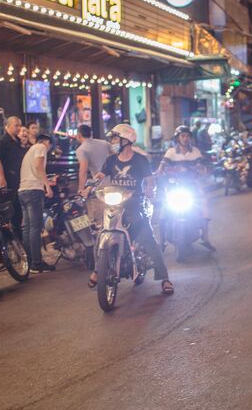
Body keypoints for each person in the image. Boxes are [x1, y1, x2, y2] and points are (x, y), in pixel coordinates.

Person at [87, 123, 172, 294]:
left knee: (148, 240)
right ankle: (99, 269)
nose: (113, 142)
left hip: (135, 205)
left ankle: (164, 278)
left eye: (116, 138)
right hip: (115, 204)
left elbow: (149, 181)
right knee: (101, 234)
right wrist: (90, 184)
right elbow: (101, 176)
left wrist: (149, 191)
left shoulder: (140, 160)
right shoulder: (111, 160)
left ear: (126, 140)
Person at [159, 125, 214, 249]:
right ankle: (161, 241)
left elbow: (201, 166)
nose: (185, 138)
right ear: (177, 138)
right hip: (174, 186)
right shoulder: (171, 152)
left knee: (203, 206)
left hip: (192, 185)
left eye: (187, 136)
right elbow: (162, 166)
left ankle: (205, 238)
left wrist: (202, 170)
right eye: (182, 136)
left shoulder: (195, 152)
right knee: (164, 210)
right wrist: (157, 173)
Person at [18, 133, 53, 272]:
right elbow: (39, 166)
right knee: (35, 228)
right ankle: (37, 263)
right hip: (34, 190)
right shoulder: (41, 147)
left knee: (27, 228)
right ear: (47, 141)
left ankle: (30, 261)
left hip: (23, 190)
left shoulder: (30, 150)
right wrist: (47, 185)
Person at [0, 116, 27, 235]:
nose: (18, 128)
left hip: (19, 178)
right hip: (9, 179)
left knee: (18, 207)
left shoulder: (17, 141)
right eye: (16, 125)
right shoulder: (2, 141)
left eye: (19, 125)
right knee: (10, 208)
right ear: (8, 126)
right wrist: (1, 178)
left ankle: (18, 232)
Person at [75, 124, 110, 193]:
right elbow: (116, 156)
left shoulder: (81, 149)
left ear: (79, 135)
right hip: (114, 180)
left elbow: (83, 171)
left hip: (99, 183)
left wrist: (81, 190)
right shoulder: (105, 143)